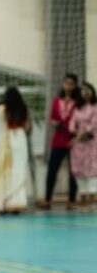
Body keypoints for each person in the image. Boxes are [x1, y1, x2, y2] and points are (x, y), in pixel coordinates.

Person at [0, 87, 32, 215]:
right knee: (19, 171)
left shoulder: (2, 109)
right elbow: (28, 127)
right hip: (21, 138)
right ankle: (18, 203)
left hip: (8, 139)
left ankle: (5, 203)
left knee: (7, 173)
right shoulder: (23, 108)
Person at [40, 73, 80, 209]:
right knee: (52, 169)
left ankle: (72, 200)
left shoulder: (78, 102)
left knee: (73, 171)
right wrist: (55, 123)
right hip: (58, 139)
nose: (68, 86)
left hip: (73, 141)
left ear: (75, 86)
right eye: (66, 83)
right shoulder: (56, 101)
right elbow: (52, 118)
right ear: (62, 84)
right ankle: (47, 199)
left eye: (71, 84)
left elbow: (80, 120)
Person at [69, 81, 97, 207]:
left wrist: (83, 134)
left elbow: (93, 124)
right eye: (83, 90)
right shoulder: (77, 108)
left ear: (92, 92)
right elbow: (71, 123)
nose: (85, 92)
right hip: (79, 143)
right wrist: (75, 132)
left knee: (93, 168)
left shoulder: (95, 107)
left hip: (92, 141)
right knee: (79, 168)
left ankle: (93, 196)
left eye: (88, 89)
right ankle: (83, 196)